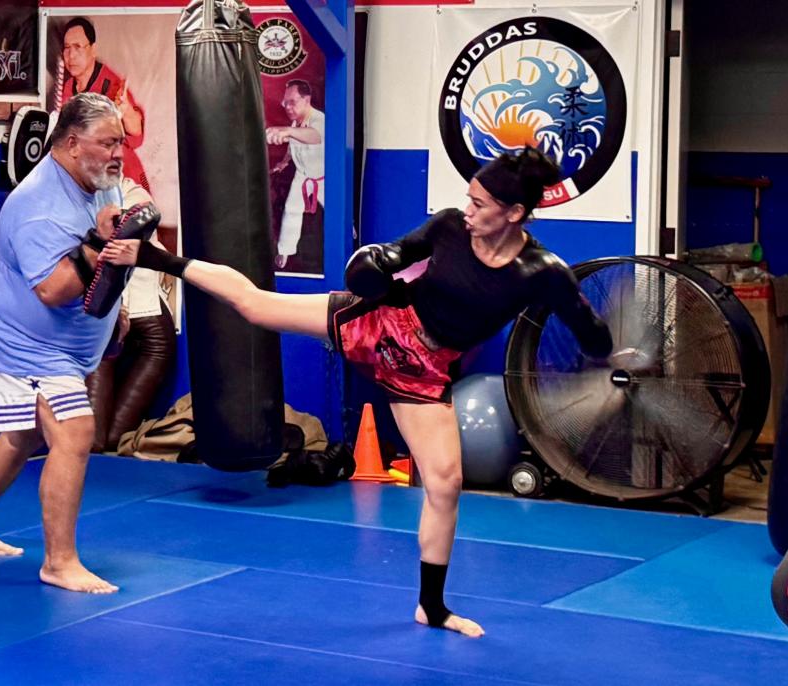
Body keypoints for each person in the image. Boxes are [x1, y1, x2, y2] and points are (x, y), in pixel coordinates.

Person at [101, 146, 613, 634]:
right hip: (379, 323)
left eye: (479, 204)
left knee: (445, 485)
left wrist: (610, 354)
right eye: (469, 197)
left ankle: (431, 607)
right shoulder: (449, 228)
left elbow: (587, 327)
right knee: (256, 305)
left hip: (423, 369)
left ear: (514, 213)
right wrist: (380, 266)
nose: (467, 209)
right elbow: (398, 252)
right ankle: (151, 257)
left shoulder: (542, 273)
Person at [0, 93, 128, 594]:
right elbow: (53, 290)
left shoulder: (99, 185)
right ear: (72, 143)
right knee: (73, 431)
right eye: (107, 142)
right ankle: (60, 562)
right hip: (20, 341)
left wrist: (117, 310)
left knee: (20, 436)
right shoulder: (36, 208)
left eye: (122, 141)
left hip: (60, 343)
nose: (118, 152)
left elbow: (107, 259)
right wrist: (95, 244)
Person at [85, 177, 176, 452]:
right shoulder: (72, 196)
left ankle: (108, 440)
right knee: (106, 350)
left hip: (125, 298)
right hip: (114, 300)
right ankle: (104, 440)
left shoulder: (125, 189)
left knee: (108, 351)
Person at [60, 16, 149, 191]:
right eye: (67, 48)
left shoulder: (113, 85)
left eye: (78, 47)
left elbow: (137, 135)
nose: (71, 55)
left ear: (93, 50)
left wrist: (126, 111)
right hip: (90, 180)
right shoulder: (68, 87)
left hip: (124, 183)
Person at [266, 79, 324, 271]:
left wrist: (288, 130)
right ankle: (284, 251)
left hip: (324, 178)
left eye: (292, 102)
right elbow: (293, 148)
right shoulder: (295, 123)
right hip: (302, 175)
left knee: (337, 213)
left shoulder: (319, 120)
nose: (287, 107)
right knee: (292, 210)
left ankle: (353, 239)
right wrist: (283, 163)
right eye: (285, 103)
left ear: (306, 99)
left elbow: (315, 137)